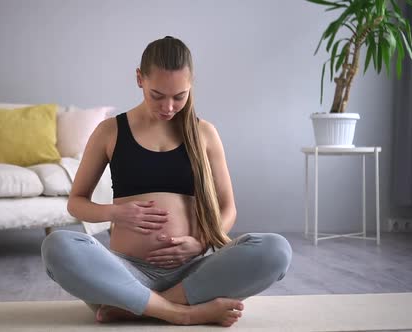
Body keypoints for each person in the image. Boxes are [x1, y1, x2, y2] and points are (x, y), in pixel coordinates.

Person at [41, 36, 292, 327]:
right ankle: (183, 313)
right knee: (57, 245)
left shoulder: (205, 133)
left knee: (276, 250)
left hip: (195, 272)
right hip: (125, 271)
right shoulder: (109, 131)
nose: (168, 107)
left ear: (191, 85)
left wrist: (200, 243)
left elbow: (228, 209)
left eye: (179, 96)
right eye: (157, 95)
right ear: (139, 79)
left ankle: (135, 306)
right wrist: (115, 212)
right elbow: (77, 203)